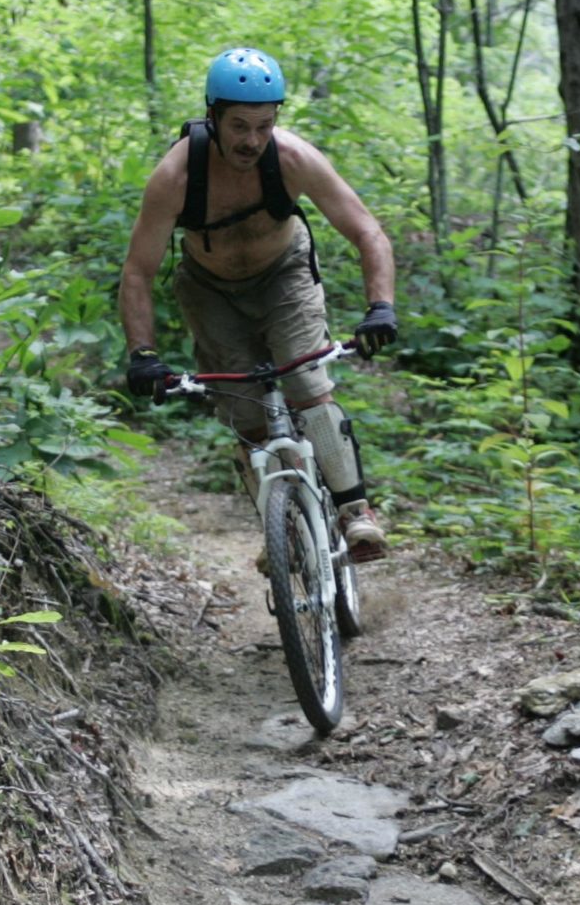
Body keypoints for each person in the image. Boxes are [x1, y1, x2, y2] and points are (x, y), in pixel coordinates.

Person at [119, 46, 399, 562]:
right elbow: (139, 270)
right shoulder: (177, 176)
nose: (252, 140)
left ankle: (355, 512)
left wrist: (379, 306)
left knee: (308, 384)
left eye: (264, 126)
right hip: (209, 288)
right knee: (245, 409)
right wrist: (143, 355)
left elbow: (368, 232)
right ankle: (283, 531)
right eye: (240, 126)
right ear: (213, 117)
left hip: (284, 275)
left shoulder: (292, 158)